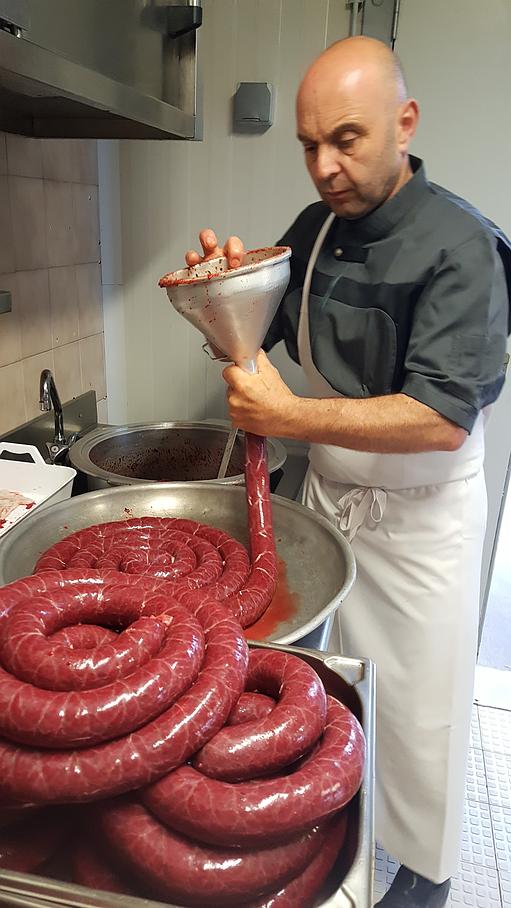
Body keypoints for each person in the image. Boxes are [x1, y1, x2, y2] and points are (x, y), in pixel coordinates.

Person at [184, 36, 510, 908]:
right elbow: (252, 334)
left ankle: (426, 876)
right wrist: (216, 293)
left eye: (346, 139)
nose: (324, 166)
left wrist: (287, 417)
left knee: (421, 715)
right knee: (333, 695)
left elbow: (441, 417)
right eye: (308, 145)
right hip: (330, 505)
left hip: (422, 523)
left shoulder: (463, 247)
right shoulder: (314, 230)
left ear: (405, 123)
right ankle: (343, 835)